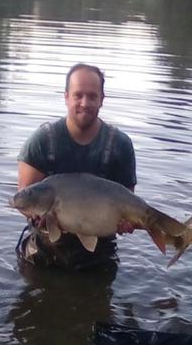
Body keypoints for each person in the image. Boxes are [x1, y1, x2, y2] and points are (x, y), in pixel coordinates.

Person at [16, 63, 136, 270]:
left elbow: (128, 202)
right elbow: (23, 199)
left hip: (99, 256)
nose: (84, 103)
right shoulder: (42, 141)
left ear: (102, 99)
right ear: (66, 97)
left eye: (92, 96)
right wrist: (38, 216)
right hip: (43, 253)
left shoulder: (120, 145)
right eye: (78, 95)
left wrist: (127, 222)